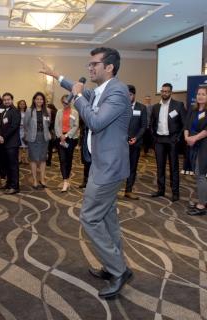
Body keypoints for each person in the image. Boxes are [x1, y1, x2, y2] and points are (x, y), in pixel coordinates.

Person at [39, 47, 133, 298]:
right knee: (107, 218)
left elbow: (96, 122)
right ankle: (116, 265)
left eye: (94, 64)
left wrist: (79, 98)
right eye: (89, 64)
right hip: (102, 164)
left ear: (109, 67)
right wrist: (57, 76)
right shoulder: (101, 90)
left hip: (109, 168)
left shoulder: (117, 91)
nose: (89, 68)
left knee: (90, 218)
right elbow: (77, 88)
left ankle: (118, 269)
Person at [150, 83, 186, 202]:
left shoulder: (178, 105)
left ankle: (175, 192)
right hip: (159, 140)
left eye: (167, 91)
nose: (164, 93)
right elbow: (152, 124)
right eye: (163, 91)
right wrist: (154, 137)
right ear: (161, 92)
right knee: (160, 167)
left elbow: (184, 124)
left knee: (174, 167)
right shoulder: (155, 107)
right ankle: (161, 190)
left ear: (171, 92)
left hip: (172, 140)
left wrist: (177, 138)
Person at [184, 86, 207, 215]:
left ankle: (201, 206)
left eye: (203, 94)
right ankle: (204, 200)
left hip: (204, 145)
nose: (200, 96)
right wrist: (187, 138)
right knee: (198, 174)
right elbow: (186, 125)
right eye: (199, 94)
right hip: (192, 144)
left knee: (200, 174)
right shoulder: (193, 111)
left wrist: (194, 138)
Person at [23, 92, 50, 189]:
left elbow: (48, 123)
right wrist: (28, 133)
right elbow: (25, 124)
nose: (39, 101)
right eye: (37, 99)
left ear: (43, 101)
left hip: (44, 137)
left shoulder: (47, 110)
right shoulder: (29, 110)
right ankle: (35, 180)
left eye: (41, 99)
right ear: (34, 100)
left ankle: (42, 179)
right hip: (32, 138)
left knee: (43, 159)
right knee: (33, 159)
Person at [124, 85, 147, 200]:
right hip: (121, 143)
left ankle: (128, 190)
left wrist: (136, 138)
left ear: (134, 95)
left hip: (135, 143)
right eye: (126, 95)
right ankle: (112, 190)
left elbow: (143, 127)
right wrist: (126, 137)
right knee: (117, 167)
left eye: (130, 95)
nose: (128, 97)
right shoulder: (121, 107)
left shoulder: (142, 108)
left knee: (132, 167)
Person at [54, 94, 79, 192]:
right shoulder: (59, 112)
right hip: (60, 138)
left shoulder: (75, 112)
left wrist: (67, 135)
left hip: (71, 138)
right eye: (63, 102)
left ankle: (67, 178)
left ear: (70, 101)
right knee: (62, 159)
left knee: (68, 159)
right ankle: (65, 180)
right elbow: (56, 125)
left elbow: (76, 126)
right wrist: (60, 135)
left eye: (67, 101)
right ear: (61, 102)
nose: (65, 103)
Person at [0, 92, 21, 194]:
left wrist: (3, 137)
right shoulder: (3, 112)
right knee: (6, 165)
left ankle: (15, 186)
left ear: (12, 100)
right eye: (5, 100)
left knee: (13, 165)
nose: (6, 101)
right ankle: (9, 183)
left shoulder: (15, 111)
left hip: (12, 143)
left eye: (8, 99)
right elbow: (0, 126)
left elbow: (14, 127)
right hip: (4, 143)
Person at [17, 99, 29, 165]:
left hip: (26, 130)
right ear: (18, 105)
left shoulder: (27, 112)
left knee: (27, 146)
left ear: (25, 105)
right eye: (21, 104)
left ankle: (26, 159)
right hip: (19, 130)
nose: (22, 105)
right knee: (20, 146)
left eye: (23, 104)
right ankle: (19, 158)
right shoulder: (16, 112)